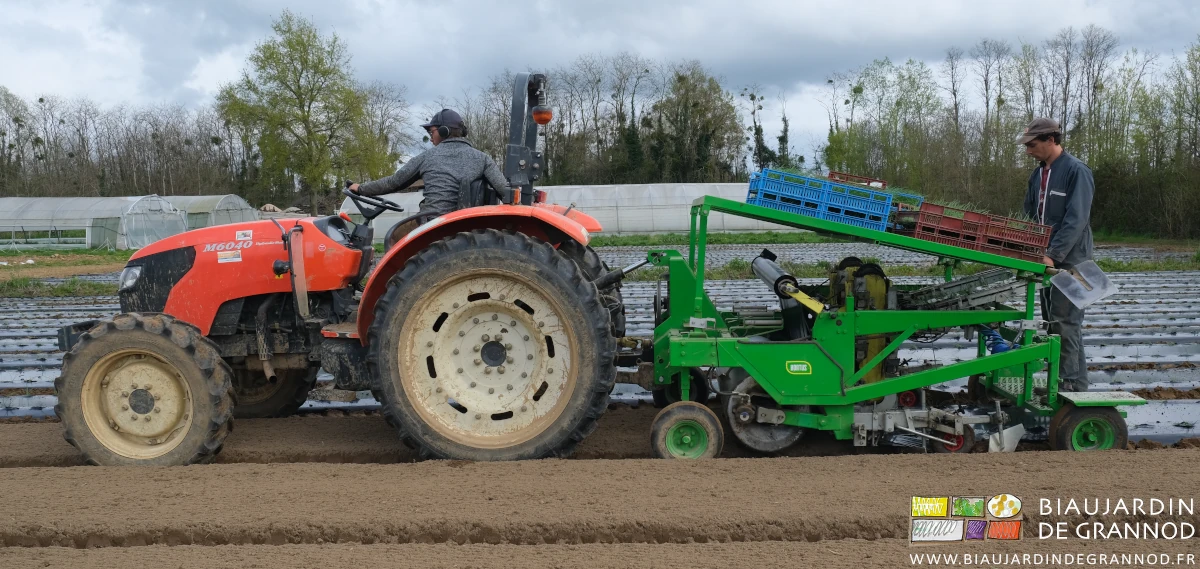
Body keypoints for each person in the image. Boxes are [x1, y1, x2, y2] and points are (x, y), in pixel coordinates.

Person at [1018, 117, 1094, 393]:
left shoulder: (1076, 171)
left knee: (1066, 322)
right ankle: (1071, 382)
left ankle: (1069, 385)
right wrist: (1030, 248)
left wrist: (1053, 253)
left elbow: (1077, 218)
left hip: (1071, 260)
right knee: (1055, 324)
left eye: (1032, 144)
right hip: (1045, 258)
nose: (1028, 151)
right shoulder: (1037, 175)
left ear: (1051, 140)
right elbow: (1030, 214)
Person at [349, 109, 512, 216]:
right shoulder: (483, 158)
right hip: (465, 226)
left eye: (431, 131)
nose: (430, 136)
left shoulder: (427, 157)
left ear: (444, 131)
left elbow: (394, 182)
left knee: (394, 236)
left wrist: (361, 189)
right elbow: (505, 191)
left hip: (431, 223)